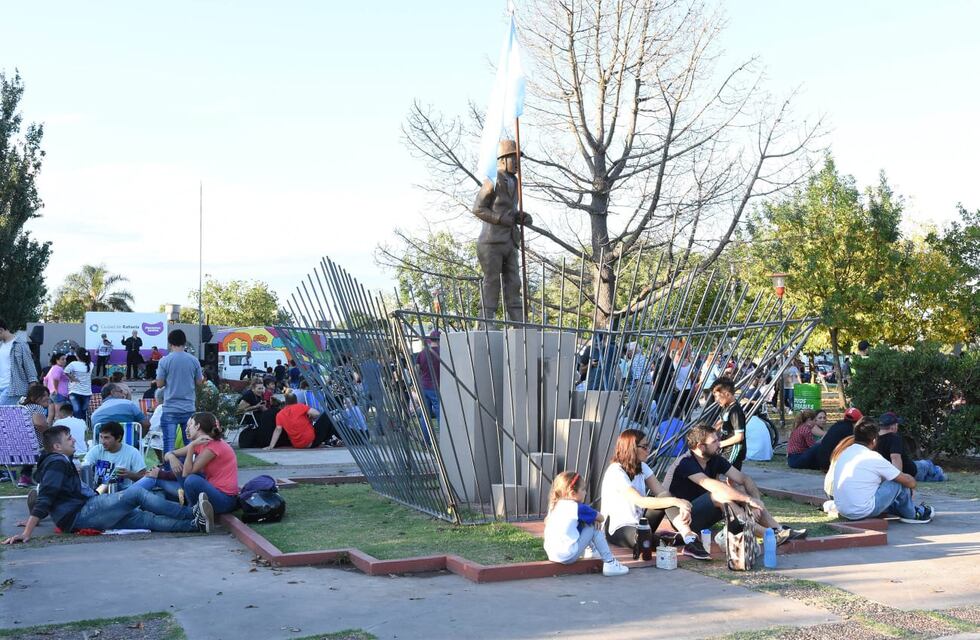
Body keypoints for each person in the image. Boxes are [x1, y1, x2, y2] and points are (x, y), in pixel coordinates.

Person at [2, 426, 211, 544]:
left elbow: (51, 497)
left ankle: (195, 525)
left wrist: (31, 522)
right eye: (69, 439)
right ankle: (191, 513)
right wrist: (28, 531)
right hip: (80, 514)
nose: (74, 440)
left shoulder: (59, 461)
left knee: (144, 518)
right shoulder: (56, 463)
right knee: (136, 495)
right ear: (57, 446)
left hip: (83, 510)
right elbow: (46, 496)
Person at [664, 424, 806, 544]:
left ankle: (779, 529)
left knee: (737, 490)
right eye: (714, 441)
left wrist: (756, 502)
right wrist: (748, 499)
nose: (719, 443)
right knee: (720, 495)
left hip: (703, 512)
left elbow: (744, 479)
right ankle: (769, 536)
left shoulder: (714, 459)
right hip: (683, 519)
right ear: (700, 446)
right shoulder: (685, 463)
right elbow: (713, 486)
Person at [599, 429, 710, 560]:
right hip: (618, 528)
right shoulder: (616, 471)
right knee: (643, 540)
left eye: (649, 446)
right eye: (645, 447)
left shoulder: (642, 466)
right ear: (631, 448)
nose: (649, 450)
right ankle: (666, 539)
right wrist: (677, 502)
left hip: (640, 523)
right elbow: (640, 501)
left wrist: (680, 506)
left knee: (665, 497)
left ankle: (689, 538)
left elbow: (662, 492)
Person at [472, 139, 532, 322]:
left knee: (514, 282)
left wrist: (520, 216)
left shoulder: (515, 181)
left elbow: (509, 209)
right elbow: (478, 208)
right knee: (492, 282)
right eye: (515, 159)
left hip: (510, 241)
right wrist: (499, 219)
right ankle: (486, 320)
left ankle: (517, 321)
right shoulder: (492, 180)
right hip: (491, 242)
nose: (518, 164)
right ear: (503, 160)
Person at [830, 419, 933, 524]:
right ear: (874, 440)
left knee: (888, 481)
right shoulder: (873, 457)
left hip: (843, 509)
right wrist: (911, 483)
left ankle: (900, 508)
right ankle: (913, 514)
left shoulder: (846, 452)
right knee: (898, 481)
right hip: (862, 511)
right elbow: (908, 481)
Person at [136, 412, 239, 515]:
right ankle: (131, 496)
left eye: (190, 425)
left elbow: (187, 473)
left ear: (197, 426)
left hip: (224, 500)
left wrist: (191, 447)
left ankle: (191, 511)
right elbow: (167, 455)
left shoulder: (213, 446)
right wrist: (172, 458)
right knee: (166, 471)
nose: (186, 429)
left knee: (192, 479)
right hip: (211, 493)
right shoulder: (200, 443)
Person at [544, 471, 629, 577]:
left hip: (552, 555)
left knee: (585, 521)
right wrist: (595, 519)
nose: (586, 493)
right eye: (583, 489)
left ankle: (592, 551)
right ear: (572, 493)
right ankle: (610, 562)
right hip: (567, 556)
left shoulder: (555, 505)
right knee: (593, 526)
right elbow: (601, 518)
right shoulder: (577, 508)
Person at [155, 329, 204, 464]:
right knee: (190, 445)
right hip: (188, 407)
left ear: (170, 343)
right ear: (184, 342)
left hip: (170, 407)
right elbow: (199, 382)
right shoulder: (194, 360)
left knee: (169, 446)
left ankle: (169, 475)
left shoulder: (164, 361)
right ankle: (189, 472)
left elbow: (159, 384)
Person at [875, 412, 946, 482]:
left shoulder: (874, 439)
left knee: (927, 473)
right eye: (897, 424)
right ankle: (939, 471)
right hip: (912, 471)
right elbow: (895, 458)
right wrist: (898, 479)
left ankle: (938, 472)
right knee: (927, 464)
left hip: (907, 471)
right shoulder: (894, 438)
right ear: (893, 427)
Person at [83, 421, 147, 490]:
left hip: (124, 493)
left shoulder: (132, 452)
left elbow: (144, 477)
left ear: (118, 438)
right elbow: (84, 467)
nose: (102, 441)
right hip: (99, 491)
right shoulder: (97, 450)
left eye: (106, 438)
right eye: (101, 437)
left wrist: (130, 475)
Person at [264, 392, 338, 450]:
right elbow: (316, 413)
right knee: (328, 416)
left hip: (297, 445)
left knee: (330, 424)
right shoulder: (300, 406)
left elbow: (278, 430)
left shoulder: (280, 414)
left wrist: (271, 446)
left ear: (286, 402)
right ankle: (343, 439)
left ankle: (331, 440)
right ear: (296, 400)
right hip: (311, 441)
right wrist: (310, 418)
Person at [16, 384, 54, 487]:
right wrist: (51, 436)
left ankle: (25, 477)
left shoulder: (22, 407)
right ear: (34, 397)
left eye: (48, 394)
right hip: (35, 446)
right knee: (57, 446)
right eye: (44, 395)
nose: (47, 397)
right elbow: (40, 424)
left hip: (20, 445)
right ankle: (43, 477)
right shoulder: (36, 407)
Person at [0, 318, 39, 406]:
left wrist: (32, 389)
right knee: (5, 417)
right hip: (1, 386)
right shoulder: (1, 345)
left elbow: (29, 367)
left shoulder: (20, 344)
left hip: (13, 388)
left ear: (1, 330)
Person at [710, 377, 747, 469]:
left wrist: (719, 444)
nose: (716, 400)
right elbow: (719, 423)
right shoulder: (726, 407)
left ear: (727, 394)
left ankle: (747, 482)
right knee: (717, 474)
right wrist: (707, 435)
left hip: (734, 449)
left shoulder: (735, 411)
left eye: (717, 396)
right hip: (726, 448)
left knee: (728, 477)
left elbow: (739, 436)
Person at [416, 330, 441, 424]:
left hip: (424, 386)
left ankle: (425, 438)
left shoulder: (422, 353)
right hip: (435, 387)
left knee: (425, 415)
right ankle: (444, 437)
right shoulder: (442, 353)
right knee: (440, 414)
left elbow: (417, 369)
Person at [64, 347, 94, 421]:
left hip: (74, 390)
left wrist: (72, 378)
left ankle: (78, 426)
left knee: (77, 410)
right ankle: (82, 426)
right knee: (83, 411)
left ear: (78, 356)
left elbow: (65, 371)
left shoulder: (73, 364)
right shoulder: (91, 364)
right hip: (87, 391)